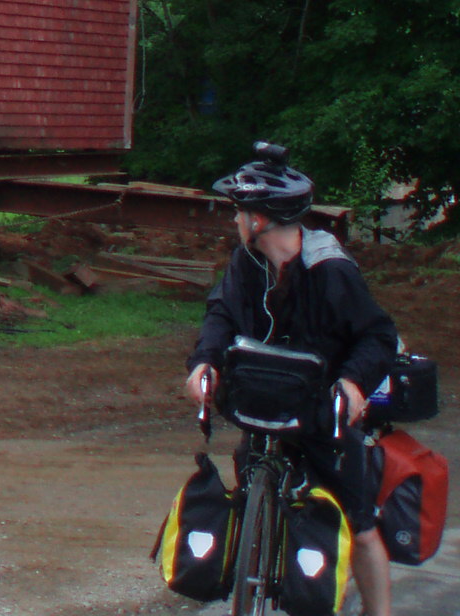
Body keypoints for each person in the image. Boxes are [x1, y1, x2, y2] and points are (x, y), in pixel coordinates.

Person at [184, 142, 398, 616]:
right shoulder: (247, 263)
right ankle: (259, 563)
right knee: (244, 486)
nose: (234, 220)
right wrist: (205, 363)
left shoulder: (329, 271)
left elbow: (378, 336)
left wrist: (354, 384)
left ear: (258, 219)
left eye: (239, 211)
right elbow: (221, 314)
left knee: (358, 523)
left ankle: (378, 611)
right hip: (266, 402)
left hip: (326, 414)